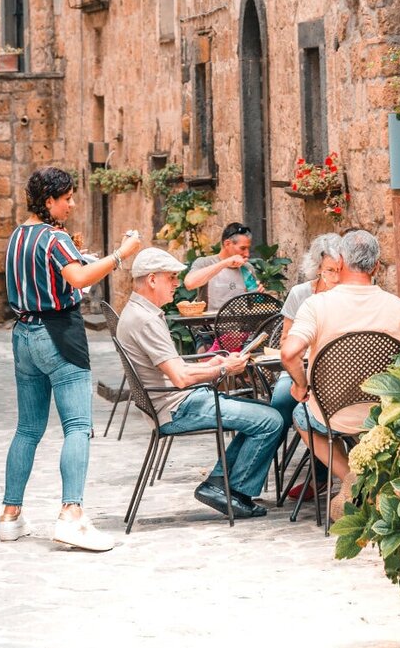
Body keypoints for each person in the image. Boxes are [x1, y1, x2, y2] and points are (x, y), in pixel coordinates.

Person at [0, 168, 141, 552]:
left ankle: (10, 515)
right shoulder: (53, 237)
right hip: (58, 333)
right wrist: (121, 254)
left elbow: (46, 276)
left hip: (24, 335)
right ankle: (71, 514)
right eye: (67, 199)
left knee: (27, 429)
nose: (72, 204)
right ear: (48, 201)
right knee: (78, 427)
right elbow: (78, 279)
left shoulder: (17, 236)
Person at [117, 246, 287, 520]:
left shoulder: (139, 312)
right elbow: (180, 378)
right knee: (271, 420)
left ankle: (219, 484)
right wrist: (224, 369)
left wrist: (210, 364)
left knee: (261, 415)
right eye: (171, 277)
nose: (176, 284)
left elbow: (172, 366)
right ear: (152, 279)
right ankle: (235, 492)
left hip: (174, 400)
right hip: (176, 407)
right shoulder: (145, 319)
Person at [280, 229, 400, 511]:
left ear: (341, 261)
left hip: (331, 415)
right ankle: (372, 482)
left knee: (300, 415)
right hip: (383, 414)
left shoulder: (316, 306)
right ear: (377, 266)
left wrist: (300, 385)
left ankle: (350, 478)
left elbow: (288, 352)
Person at [271, 234, 344, 498]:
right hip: (300, 367)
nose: (336, 277)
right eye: (329, 270)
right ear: (317, 269)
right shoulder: (301, 294)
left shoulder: (350, 294)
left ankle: (321, 476)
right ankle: (265, 463)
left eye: (340, 270)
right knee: (281, 400)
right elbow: (285, 341)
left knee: (321, 405)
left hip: (336, 372)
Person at [184, 222, 255, 311]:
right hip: (211, 320)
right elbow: (189, 284)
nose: (247, 254)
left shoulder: (247, 268)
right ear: (227, 244)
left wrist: (257, 295)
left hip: (242, 319)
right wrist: (225, 263)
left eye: (248, 249)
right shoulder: (205, 263)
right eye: (243, 248)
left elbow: (253, 302)